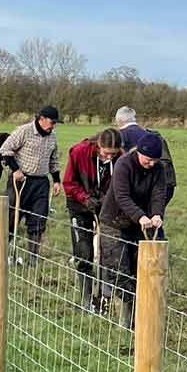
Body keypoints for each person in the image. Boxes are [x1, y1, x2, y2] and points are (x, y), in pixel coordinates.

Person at [99, 127, 170, 329]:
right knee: (120, 270)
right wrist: (140, 216)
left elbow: (158, 194)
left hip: (140, 224)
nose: (151, 164)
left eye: (155, 160)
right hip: (114, 222)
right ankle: (124, 321)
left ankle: (143, 318)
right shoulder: (124, 165)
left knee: (141, 270)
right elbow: (122, 196)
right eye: (148, 159)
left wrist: (157, 214)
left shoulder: (158, 169)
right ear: (139, 152)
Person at [63, 127, 123, 315]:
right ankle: (87, 300)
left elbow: (120, 185)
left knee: (108, 252)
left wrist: (106, 200)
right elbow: (69, 183)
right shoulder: (79, 152)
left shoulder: (121, 158)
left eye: (113, 154)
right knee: (84, 252)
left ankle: (105, 298)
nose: (109, 157)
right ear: (98, 146)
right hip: (79, 206)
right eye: (106, 153)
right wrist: (85, 198)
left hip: (106, 208)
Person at [0, 104, 62, 267]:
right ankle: (2, 251)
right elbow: (5, 150)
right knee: (12, 217)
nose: (53, 126)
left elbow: (54, 160)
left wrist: (56, 180)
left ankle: (33, 256)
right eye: (52, 122)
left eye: (55, 123)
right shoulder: (24, 131)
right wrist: (16, 170)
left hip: (41, 183)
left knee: (38, 219)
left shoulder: (52, 137)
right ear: (42, 119)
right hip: (21, 181)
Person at [111, 105, 177, 205]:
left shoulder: (119, 137)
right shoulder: (154, 136)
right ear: (134, 119)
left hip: (145, 188)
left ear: (118, 121)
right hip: (167, 185)